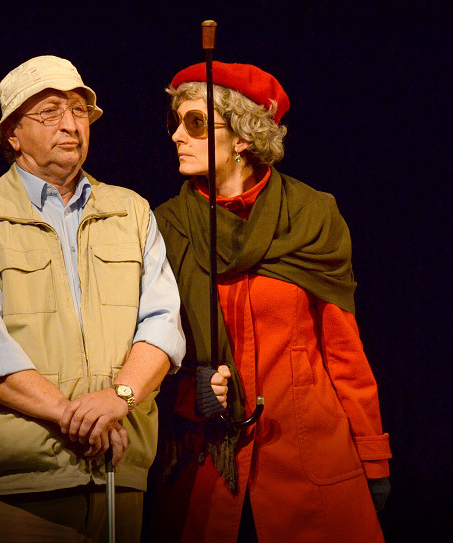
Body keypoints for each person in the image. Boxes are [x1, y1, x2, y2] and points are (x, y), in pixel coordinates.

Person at [0, 55, 185, 543]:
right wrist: (80, 419)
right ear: (13, 134)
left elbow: (162, 325)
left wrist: (119, 397)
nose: (71, 125)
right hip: (17, 493)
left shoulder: (132, 212)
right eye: (50, 112)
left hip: (117, 481)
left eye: (79, 110)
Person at [145, 61, 392, 542]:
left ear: (243, 135)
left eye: (195, 122)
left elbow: (343, 351)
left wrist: (372, 453)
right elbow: (150, 343)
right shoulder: (165, 226)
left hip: (309, 459)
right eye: (175, 121)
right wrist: (190, 388)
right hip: (207, 464)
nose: (177, 135)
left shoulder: (311, 216)